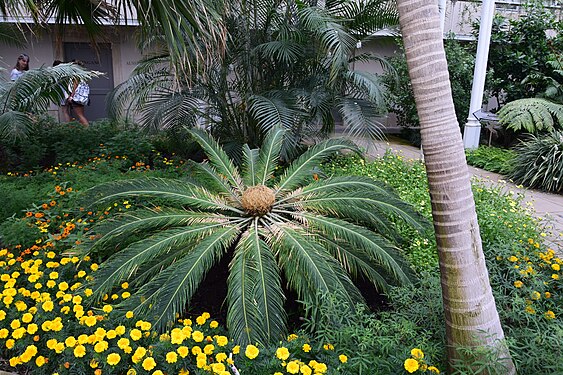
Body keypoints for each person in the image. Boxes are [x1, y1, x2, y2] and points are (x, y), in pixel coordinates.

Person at [67, 60, 90, 126]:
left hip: (76, 98)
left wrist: (71, 96)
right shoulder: (83, 76)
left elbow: (75, 86)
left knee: (80, 116)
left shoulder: (76, 76)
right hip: (81, 98)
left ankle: (88, 130)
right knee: (81, 115)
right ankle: (85, 129)